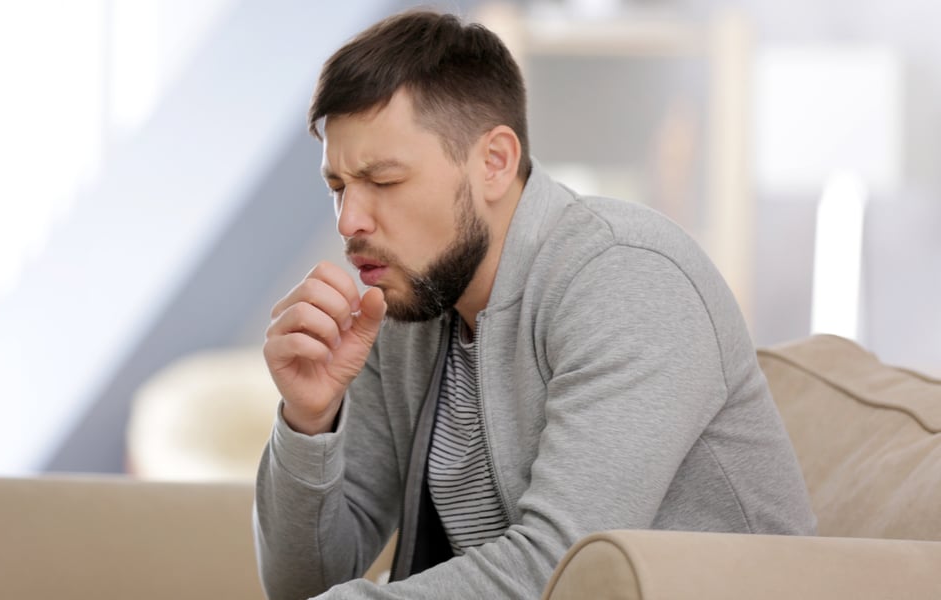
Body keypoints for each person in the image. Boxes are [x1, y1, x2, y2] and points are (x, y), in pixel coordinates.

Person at [253, 9, 815, 599]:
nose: (350, 223)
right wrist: (308, 423)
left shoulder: (625, 275)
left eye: (384, 181)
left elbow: (560, 569)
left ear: (494, 162)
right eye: (338, 188)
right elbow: (303, 584)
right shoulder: (410, 301)